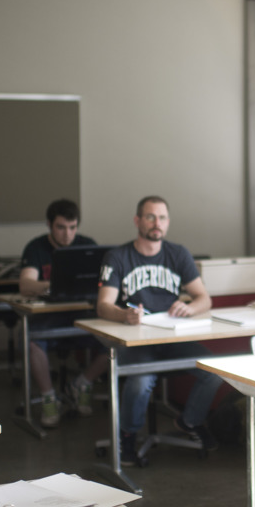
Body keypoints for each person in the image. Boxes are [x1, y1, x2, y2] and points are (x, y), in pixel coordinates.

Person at [97, 195, 222, 466]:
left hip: (171, 336)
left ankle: (189, 422)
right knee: (141, 380)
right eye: (150, 217)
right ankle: (127, 436)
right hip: (136, 341)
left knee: (214, 370)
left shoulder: (178, 253)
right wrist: (124, 314)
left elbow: (204, 299)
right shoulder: (117, 257)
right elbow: (103, 305)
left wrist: (190, 307)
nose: (157, 223)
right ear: (137, 221)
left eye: (162, 218)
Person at [19, 198, 109, 427]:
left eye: (72, 227)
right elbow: (26, 284)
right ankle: (49, 397)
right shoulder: (36, 248)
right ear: (49, 224)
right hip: (49, 316)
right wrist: (53, 285)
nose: (67, 234)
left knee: (115, 340)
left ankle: (82, 383)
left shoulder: (88, 245)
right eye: (60, 227)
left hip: (82, 314)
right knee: (31, 341)